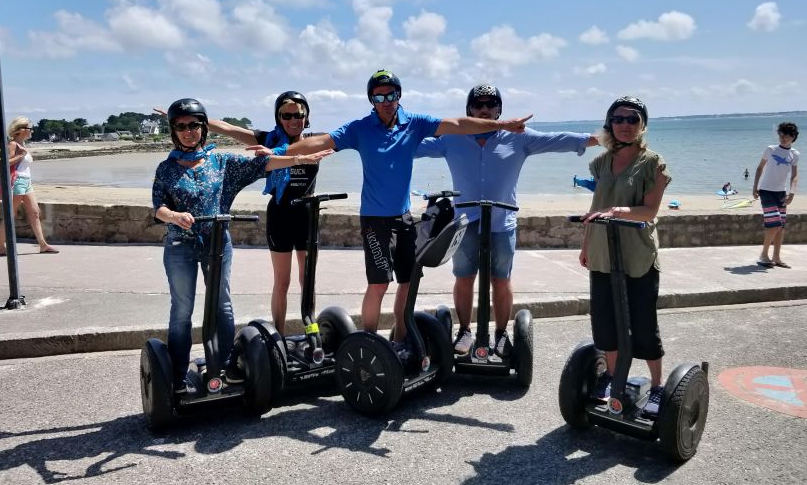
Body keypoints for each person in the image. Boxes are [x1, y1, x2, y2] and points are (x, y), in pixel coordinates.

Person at [258, 70, 531, 345]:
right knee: (379, 284)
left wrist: (501, 125)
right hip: (374, 220)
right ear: (371, 99)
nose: (386, 101)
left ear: (398, 96)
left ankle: (400, 340)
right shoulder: (359, 128)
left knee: (409, 281)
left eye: (391, 95)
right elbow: (322, 141)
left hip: (403, 217)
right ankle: (368, 343)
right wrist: (281, 153)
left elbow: (457, 123)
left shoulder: (415, 123)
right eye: (379, 96)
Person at [153, 98, 331, 394]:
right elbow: (157, 206)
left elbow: (262, 164)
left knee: (222, 305)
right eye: (181, 127)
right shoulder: (166, 169)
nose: (188, 131)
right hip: (179, 245)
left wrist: (300, 160)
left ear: (203, 129)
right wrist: (172, 215)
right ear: (174, 130)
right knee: (182, 310)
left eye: (194, 125)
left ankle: (225, 368)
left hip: (216, 242)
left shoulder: (221, 163)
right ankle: (179, 375)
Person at [416, 84, 598, 357]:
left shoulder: (517, 137)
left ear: (499, 109)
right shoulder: (452, 138)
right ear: (469, 110)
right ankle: (465, 330)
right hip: (465, 220)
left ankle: (501, 334)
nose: (485, 109)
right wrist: (372, 145)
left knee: (501, 279)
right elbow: (411, 148)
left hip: (501, 220)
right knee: (464, 277)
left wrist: (596, 139)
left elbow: (556, 139)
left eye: (491, 104)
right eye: (478, 105)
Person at [578, 96, 670, 417]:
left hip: (637, 255)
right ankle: (613, 377)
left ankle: (657, 386)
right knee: (605, 322)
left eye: (633, 119)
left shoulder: (653, 163)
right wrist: (586, 245)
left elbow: (650, 211)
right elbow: (594, 208)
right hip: (604, 253)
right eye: (619, 119)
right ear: (610, 124)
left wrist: (618, 211)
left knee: (643, 324)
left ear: (642, 124)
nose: (626, 125)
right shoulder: (602, 162)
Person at [205, 92, 322, 335]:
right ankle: (278, 336)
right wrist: (191, 118)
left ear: (306, 116)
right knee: (282, 282)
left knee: (307, 280)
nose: (293, 120)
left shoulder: (316, 141)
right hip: (280, 215)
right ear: (279, 117)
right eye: (287, 115)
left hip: (306, 217)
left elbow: (353, 136)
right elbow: (228, 129)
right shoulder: (268, 139)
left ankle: (311, 330)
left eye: (299, 115)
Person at [0, 117, 59, 255]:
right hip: (17, 182)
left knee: (35, 213)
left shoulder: (23, 145)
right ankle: (0, 247)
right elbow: (5, 163)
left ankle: (43, 245)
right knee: (11, 215)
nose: (32, 131)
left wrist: (23, 154)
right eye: (30, 129)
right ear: (22, 130)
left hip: (27, 182)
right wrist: (20, 156)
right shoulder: (12, 145)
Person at [752, 122, 799, 268]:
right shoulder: (771, 149)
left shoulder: (795, 154)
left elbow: (794, 176)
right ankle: (763, 255)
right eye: (780, 134)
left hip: (781, 192)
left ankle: (776, 257)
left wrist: (792, 193)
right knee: (775, 224)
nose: (782, 137)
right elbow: (760, 168)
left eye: (785, 134)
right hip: (766, 191)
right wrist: (755, 186)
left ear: (793, 137)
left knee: (781, 226)